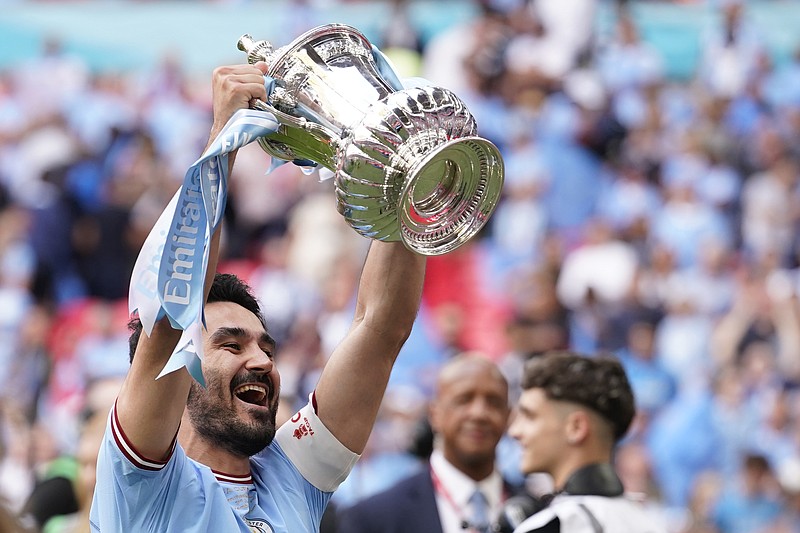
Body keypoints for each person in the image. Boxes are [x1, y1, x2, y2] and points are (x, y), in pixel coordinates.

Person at [88, 61, 427, 532]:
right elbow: (173, 315)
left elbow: (381, 328)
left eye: (266, 347)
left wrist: (405, 172)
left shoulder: (293, 479)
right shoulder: (138, 486)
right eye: (231, 344)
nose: (263, 361)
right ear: (178, 376)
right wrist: (224, 141)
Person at [337, 352, 533, 533]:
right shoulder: (374, 518)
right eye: (464, 400)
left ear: (508, 417)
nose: (479, 413)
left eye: (494, 402)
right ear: (435, 414)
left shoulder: (538, 515)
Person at [508, 350, 667, 533]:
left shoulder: (552, 527)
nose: (515, 431)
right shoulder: (651, 524)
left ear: (576, 428)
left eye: (530, 416)